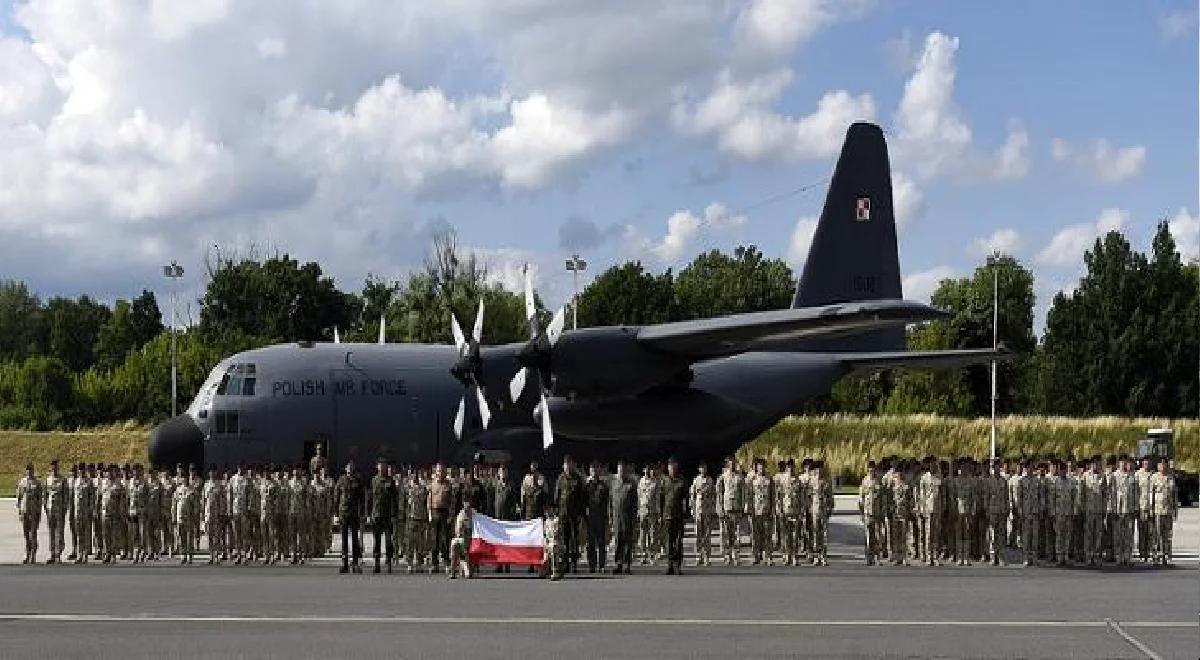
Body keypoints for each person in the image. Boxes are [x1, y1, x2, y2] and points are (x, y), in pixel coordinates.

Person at [554, 455, 584, 573]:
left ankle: (574, 563)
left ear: (573, 464)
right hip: (563, 514)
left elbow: (581, 498)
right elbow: (557, 496)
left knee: (574, 540)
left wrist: (580, 514)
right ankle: (565, 563)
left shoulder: (578, 479)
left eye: (569, 463)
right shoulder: (561, 478)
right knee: (564, 540)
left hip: (574, 514)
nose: (567, 466)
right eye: (566, 464)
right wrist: (556, 512)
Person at [335, 461, 364, 574]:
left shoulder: (358, 480)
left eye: (352, 468)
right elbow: (336, 497)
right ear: (345, 469)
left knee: (355, 539)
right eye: (348, 468)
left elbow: (362, 498)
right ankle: (344, 562)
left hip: (354, 513)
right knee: (344, 539)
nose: (350, 470)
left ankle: (355, 563)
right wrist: (336, 514)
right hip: (343, 513)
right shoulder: (341, 480)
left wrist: (362, 513)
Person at [660, 457, 688, 575]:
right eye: (671, 466)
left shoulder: (682, 481)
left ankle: (677, 565)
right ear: (668, 468)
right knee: (668, 542)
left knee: (678, 542)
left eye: (675, 466)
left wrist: (686, 512)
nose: (673, 469)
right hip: (667, 515)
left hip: (678, 516)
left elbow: (686, 498)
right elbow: (661, 498)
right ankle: (669, 564)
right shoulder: (664, 480)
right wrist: (660, 514)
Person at [368, 459, 396, 574]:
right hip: (377, 514)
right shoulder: (374, 480)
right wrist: (369, 513)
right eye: (380, 465)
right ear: (377, 467)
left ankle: (389, 561)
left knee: (389, 541)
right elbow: (370, 498)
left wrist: (394, 514)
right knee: (377, 540)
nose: (382, 467)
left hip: (388, 515)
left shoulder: (391, 480)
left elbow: (394, 499)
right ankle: (377, 563)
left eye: (384, 465)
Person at [715, 458, 745, 565]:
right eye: (730, 464)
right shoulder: (722, 477)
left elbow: (743, 493)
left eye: (734, 464)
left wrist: (742, 507)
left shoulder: (740, 477)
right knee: (727, 533)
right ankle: (727, 555)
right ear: (727, 465)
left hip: (736, 508)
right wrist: (720, 508)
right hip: (726, 508)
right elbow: (719, 494)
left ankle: (736, 555)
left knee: (736, 533)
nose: (732, 466)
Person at [1109, 456, 1137, 566]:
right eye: (1121, 463)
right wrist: (1112, 509)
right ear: (1118, 464)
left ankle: (1128, 557)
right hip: (1118, 510)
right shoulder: (1114, 476)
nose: (1123, 465)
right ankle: (1118, 557)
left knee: (1129, 535)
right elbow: (1111, 494)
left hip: (1129, 510)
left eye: (1125, 463)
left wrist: (1135, 508)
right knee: (1118, 535)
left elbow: (1135, 494)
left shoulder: (1132, 477)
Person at [610, 462, 637, 574]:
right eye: (619, 470)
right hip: (616, 517)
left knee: (627, 541)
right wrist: (610, 517)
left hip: (627, 517)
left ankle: (627, 564)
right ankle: (618, 563)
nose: (621, 472)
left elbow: (635, 503)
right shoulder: (614, 484)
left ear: (626, 471)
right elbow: (611, 502)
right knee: (618, 541)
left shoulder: (631, 484)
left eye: (623, 470)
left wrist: (635, 517)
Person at [747, 458, 774, 565]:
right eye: (759, 466)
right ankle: (755, 555)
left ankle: (767, 555)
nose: (761, 468)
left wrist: (773, 509)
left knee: (767, 534)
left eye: (762, 466)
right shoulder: (752, 479)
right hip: (755, 510)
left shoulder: (769, 479)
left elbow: (773, 495)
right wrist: (749, 509)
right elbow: (749, 495)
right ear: (756, 467)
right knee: (755, 534)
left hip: (766, 510)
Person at [584, 461, 609, 573]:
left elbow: (607, 502)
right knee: (590, 543)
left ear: (600, 470)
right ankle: (592, 565)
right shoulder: (586, 485)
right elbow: (582, 501)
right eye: (592, 468)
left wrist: (607, 517)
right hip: (589, 518)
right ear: (590, 470)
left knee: (601, 542)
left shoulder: (603, 485)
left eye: (596, 468)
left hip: (600, 517)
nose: (594, 470)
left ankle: (602, 565)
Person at [1150, 462, 1178, 566]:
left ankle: (1167, 556)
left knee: (1168, 535)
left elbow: (1175, 495)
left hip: (1168, 511)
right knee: (1157, 534)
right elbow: (1151, 494)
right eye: (1160, 465)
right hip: (1157, 510)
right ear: (1157, 467)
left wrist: (1175, 510)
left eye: (1164, 465)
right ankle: (1156, 556)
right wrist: (1151, 509)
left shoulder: (1171, 478)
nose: (1162, 467)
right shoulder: (1154, 478)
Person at [689, 462, 716, 567]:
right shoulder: (696, 480)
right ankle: (698, 556)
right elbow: (692, 495)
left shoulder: (710, 480)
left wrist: (713, 508)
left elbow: (714, 494)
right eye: (701, 468)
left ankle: (707, 557)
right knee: (698, 535)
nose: (703, 469)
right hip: (698, 510)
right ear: (699, 469)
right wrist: (692, 509)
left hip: (707, 510)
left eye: (704, 467)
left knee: (707, 535)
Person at [427, 463, 453, 573]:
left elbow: (452, 502)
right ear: (435, 472)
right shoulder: (432, 484)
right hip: (434, 512)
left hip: (445, 513)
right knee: (434, 540)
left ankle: (447, 563)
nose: (440, 472)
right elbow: (429, 500)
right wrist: (429, 514)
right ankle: (434, 564)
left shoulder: (448, 485)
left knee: (445, 540)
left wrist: (451, 516)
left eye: (442, 470)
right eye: (438, 470)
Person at [775, 460, 801, 566]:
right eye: (788, 467)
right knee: (786, 535)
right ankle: (786, 556)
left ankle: (794, 556)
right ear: (786, 468)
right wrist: (779, 509)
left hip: (795, 511)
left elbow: (801, 497)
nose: (790, 469)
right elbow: (778, 496)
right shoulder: (782, 480)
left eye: (792, 467)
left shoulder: (798, 481)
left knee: (795, 536)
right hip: (785, 511)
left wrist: (802, 510)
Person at [859, 461, 885, 565]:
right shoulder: (864, 481)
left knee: (878, 536)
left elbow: (883, 497)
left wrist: (883, 511)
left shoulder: (879, 481)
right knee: (868, 537)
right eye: (870, 469)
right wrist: (861, 513)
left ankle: (878, 557)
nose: (871, 471)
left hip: (877, 512)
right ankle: (869, 558)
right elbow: (861, 498)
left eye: (873, 469)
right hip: (867, 513)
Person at [43, 460, 69, 564]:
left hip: (59, 509)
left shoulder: (62, 480)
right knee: (51, 532)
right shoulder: (47, 480)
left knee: (59, 532)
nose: (54, 470)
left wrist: (64, 508)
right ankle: (52, 553)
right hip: (50, 509)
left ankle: (58, 554)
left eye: (56, 468)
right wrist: (45, 507)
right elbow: (45, 495)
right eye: (53, 468)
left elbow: (66, 496)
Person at [1081, 458, 1107, 566]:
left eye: (1097, 464)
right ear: (1090, 465)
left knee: (1098, 534)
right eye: (1094, 464)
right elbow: (1082, 494)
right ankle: (1088, 555)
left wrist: (1105, 509)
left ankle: (1096, 555)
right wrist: (1082, 508)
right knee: (1088, 534)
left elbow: (1105, 494)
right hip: (1089, 509)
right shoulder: (1085, 476)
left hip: (1099, 509)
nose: (1095, 466)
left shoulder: (1102, 476)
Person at [16, 464, 43, 565]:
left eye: (31, 470)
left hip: (33, 511)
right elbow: (19, 497)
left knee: (33, 534)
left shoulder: (37, 483)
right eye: (27, 470)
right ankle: (27, 553)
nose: (29, 472)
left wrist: (39, 512)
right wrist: (19, 511)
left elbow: (40, 499)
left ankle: (33, 554)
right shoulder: (22, 482)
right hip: (25, 511)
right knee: (26, 535)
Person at [405, 468, 430, 573]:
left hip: (421, 518)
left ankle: (419, 563)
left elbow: (426, 501)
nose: (414, 477)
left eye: (416, 475)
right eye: (412, 475)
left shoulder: (422, 488)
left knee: (420, 543)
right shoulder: (407, 487)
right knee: (410, 542)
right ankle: (410, 563)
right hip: (411, 518)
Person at [808, 461, 833, 566]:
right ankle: (816, 556)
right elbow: (807, 496)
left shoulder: (826, 482)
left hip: (824, 511)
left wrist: (829, 509)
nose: (819, 471)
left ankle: (823, 556)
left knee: (824, 535)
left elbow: (830, 497)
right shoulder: (811, 482)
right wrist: (808, 509)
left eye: (820, 469)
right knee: (815, 534)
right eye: (817, 469)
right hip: (814, 510)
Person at [984, 460, 1008, 566]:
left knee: (1001, 535)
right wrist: (987, 510)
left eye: (999, 467)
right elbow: (986, 497)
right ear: (993, 469)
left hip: (1002, 510)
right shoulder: (989, 481)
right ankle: (993, 557)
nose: (998, 469)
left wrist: (1007, 509)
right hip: (992, 511)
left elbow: (1006, 497)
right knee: (993, 535)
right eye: (996, 467)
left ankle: (1001, 557)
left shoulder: (1004, 481)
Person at [636, 464, 661, 565]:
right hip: (642, 510)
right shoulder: (640, 482)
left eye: (648, 470)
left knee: (652, 534)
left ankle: (652, 555)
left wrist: (658, 513)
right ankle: (643, 555)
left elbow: (658, 499)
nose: (647, 471)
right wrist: (637, 511)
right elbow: (638, 497)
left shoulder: (655, 483)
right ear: (643, 470)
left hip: (652, 511)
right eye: (645, 469)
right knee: (642, 534)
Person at [72, 464, 96, 564]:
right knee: (78, 534)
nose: (81, 472)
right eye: (79, 470)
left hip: (86, 511)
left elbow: (92, 497)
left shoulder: (89, 482)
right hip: (77, 511)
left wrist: (91, 509)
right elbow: (74, 497)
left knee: (86, 533)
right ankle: (79, 554)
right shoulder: (76, 481)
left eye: (83, 470)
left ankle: (85, 554)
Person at [889, 467, 913, 566]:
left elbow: (911, 500)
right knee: (895, 537)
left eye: (900, 474)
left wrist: (910, 511)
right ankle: (896, 557)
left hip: (904, 514)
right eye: (897, 474)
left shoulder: (906, 487)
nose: (899, 476)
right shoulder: (892, 488)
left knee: (904, 536)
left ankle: (904, 557)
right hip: (895, 514)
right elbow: (889, 500)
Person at [448, 498, 476, 579]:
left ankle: (465, 570)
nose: (467, 505)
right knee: (454, 545)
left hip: (470, 538)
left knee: (464, 549)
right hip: (461, 538)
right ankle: (452, 571)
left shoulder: (474, 514)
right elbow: (458, 530)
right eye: (465, 503)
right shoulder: (460, 514)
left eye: (468, 503)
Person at [1135, 457, 1155, 562]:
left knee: (1150, 531)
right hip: (1141, 506)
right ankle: (1142, 552)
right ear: (1142, 464)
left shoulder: (1153, 475)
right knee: (1142, 531)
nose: (1146, 464)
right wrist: (1135, 506)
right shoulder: (1137, 475)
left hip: (1151, 507)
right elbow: (1135, 492)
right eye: (1145, 463)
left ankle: (1149, 552)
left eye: (1148, 462)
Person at [543, 503, 564, 581]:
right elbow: (545, 533)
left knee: (554, 550)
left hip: (556, 541)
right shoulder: (546, 521)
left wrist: (552, 541)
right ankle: (547, 571)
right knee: (546, 553)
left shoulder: (556, 520)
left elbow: (557, 532)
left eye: (549, 510)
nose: (547, 512)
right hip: (549, 541)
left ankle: (555, 572)